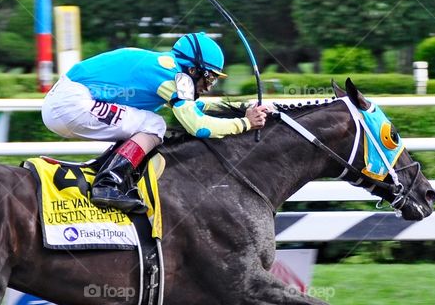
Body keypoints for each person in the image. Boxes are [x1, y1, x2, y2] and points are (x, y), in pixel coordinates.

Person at [42, 32, 269, 214]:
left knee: (145, 123)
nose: (209, 86)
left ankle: (109, 175)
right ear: (192, 69)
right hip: (71, 105)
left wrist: (241, 110)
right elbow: (199, 126)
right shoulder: (172, 76)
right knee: (154, 125)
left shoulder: (166, 68)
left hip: (65, 102)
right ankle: (109, 183)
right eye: (209, 77)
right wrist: (245, 124)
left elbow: (193, 109)